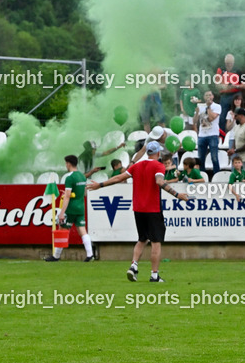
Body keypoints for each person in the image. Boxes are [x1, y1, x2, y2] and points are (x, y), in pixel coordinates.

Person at [88, 141, 191, 283]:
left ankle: (134, 265)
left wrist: (100, 185)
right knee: (156, 242)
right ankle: (154, 275)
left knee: (142, 239)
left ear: (147, 152)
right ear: (158, 153)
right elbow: (159, 182)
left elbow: (118, 178)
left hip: (138, 208)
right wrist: (177, 194)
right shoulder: (158, 166)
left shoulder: (137, 166)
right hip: (153, 208)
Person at [45, 155, 94, 262]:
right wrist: (73, 195)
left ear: (68, 164)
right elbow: (84, 193)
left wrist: (62, 213)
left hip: (71, 208)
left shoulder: (69, 178)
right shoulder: (82, 176)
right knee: (82, 231)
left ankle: (56, 256)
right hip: (80, 207)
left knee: (62, 229)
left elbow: (67, 196)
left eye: (66, 163)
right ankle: (90, 255)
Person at [194, 90, 221, 178]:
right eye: (206, 95)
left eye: (210, 95)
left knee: (214, 157)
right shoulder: (200, 106)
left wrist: (208, 107)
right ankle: (202, 177)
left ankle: (217, 176)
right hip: (202, 135)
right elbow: (195, 121)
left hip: (213, 134)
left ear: (213, 96)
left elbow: (211, 118)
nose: (208, 97)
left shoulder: (217, 106)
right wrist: (197, 112)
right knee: (201, 158)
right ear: (204, 97)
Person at [216, 53, 245, 132]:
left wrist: (236, 86)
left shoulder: (238, 71)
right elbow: (217, 84)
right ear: (224, 62)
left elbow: (244, 85)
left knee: (239, 113)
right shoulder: (220, 70)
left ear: (233, 62)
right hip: (224, 95)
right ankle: (222, 135)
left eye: (230, 63)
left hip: (236, 94)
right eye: (227, 63)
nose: (229, 65)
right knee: (222, 116)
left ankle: (240, 131)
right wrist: (223, 86)